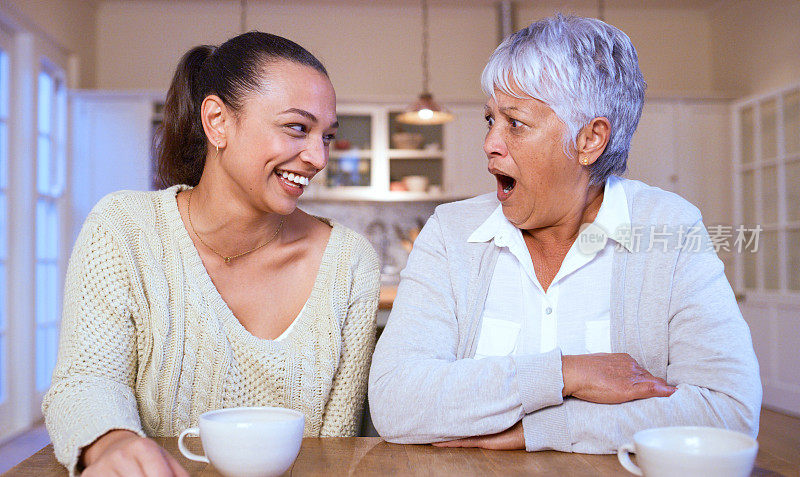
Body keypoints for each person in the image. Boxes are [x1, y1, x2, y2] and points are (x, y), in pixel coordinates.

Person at [368, 14, 761, 453]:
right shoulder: (450, 232)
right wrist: (567, 373)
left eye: (514, 123)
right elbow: (395, 400)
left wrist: (538, 431)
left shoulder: (670, 228)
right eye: (489, 119)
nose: (490, 143)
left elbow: (727, 412)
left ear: (589, 140)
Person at [43, 32, 379, 476]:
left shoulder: (350, 263)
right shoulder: (125, 228)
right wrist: (110, 444)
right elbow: (85, 381)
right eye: (298, 127)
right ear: (217, 120)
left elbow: (334, 447)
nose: (317, 157)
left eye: (327, 136)